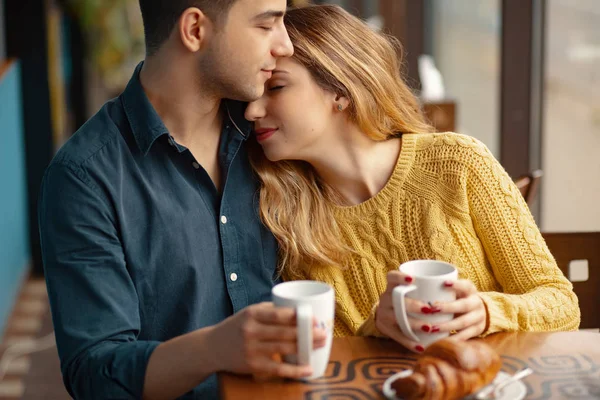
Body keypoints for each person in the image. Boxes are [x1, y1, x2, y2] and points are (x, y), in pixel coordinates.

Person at [245, 4, 580, 354]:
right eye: (254, 95)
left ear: (340, 91)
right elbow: (329, 362)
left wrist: (485, 312)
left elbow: (561, 304)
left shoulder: (459, 162)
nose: (253, 110)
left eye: (277, 87)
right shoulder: (285, 213)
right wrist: (378, 327)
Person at [38, 1, 327, 399]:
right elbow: (95, 374)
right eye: (267, 25)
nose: (286, 45)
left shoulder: (277, 127)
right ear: (194, 29)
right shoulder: (85, 177)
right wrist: (214, 349)